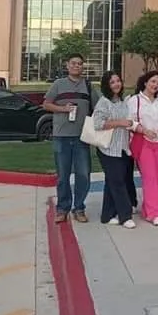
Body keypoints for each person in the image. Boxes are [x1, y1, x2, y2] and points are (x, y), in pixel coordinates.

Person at [42, 53, 101, 225]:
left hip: (82, 138)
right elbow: (46, 104)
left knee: (83, 175)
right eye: (73, 63)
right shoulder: (58, 84)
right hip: (61, 137)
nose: (77, 66)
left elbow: (99, 107)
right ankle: (62, 209)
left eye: (80, 64)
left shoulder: (88, 86)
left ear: (83, 67)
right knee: (63, 176)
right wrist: (63, 109)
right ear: (67, 65)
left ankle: (79, 208)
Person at [129, 71, 158, 226]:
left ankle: (149, 208)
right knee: (149, 178)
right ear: (145, 82)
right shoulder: (134, 100)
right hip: (143, 142)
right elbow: (129, 121)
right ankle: (155, 213)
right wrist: (143, 130)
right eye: (153, 81)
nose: (155, 85)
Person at [92, 71, 137, 229]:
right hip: (108, 149)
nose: (116, 84)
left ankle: (107, 215)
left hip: (123, 148)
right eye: (112, 82)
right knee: (118, 182)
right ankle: (125, 216)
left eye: (118, 81)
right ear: (107, 85)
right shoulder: (104, 102)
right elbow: (97, 123)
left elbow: (129, 122)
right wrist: (120, 122)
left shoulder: (123, 102)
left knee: (112, 181)